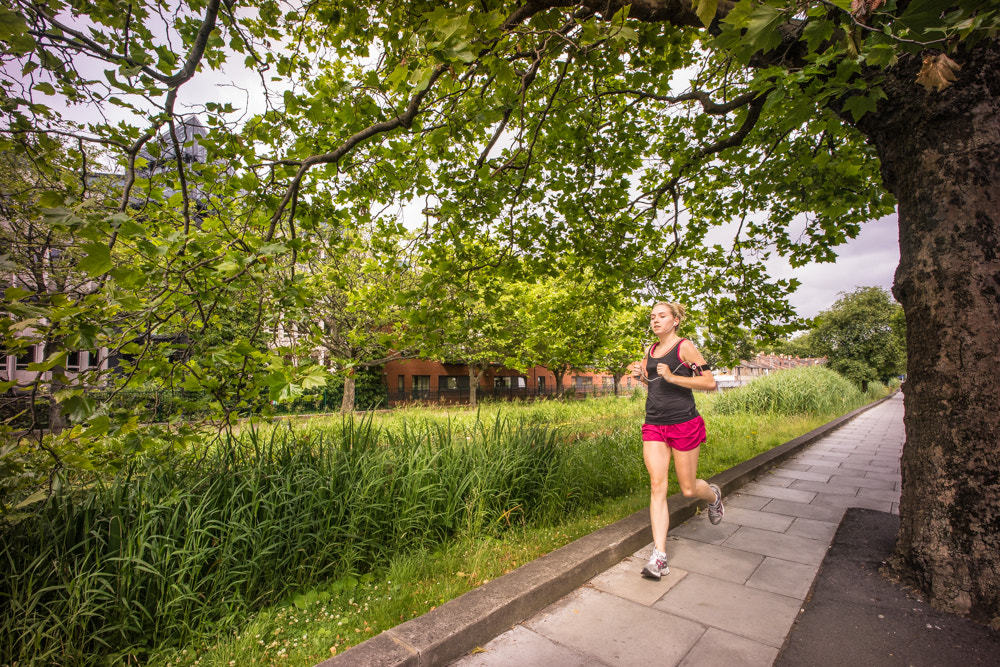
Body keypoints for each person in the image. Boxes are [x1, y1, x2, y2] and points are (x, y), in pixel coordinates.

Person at [632, 301, 724, 580]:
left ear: (675, 321)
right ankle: (659, 557)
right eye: (652, 316)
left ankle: (713, 495)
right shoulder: (649, 351)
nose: (656, 320)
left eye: (662, 316)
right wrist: (641, 378)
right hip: (654, 425)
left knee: (687, 489)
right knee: (657, 485)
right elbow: (656, 385)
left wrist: (672, 376)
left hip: (684, 423)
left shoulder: (684, 347)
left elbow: (709, 382)